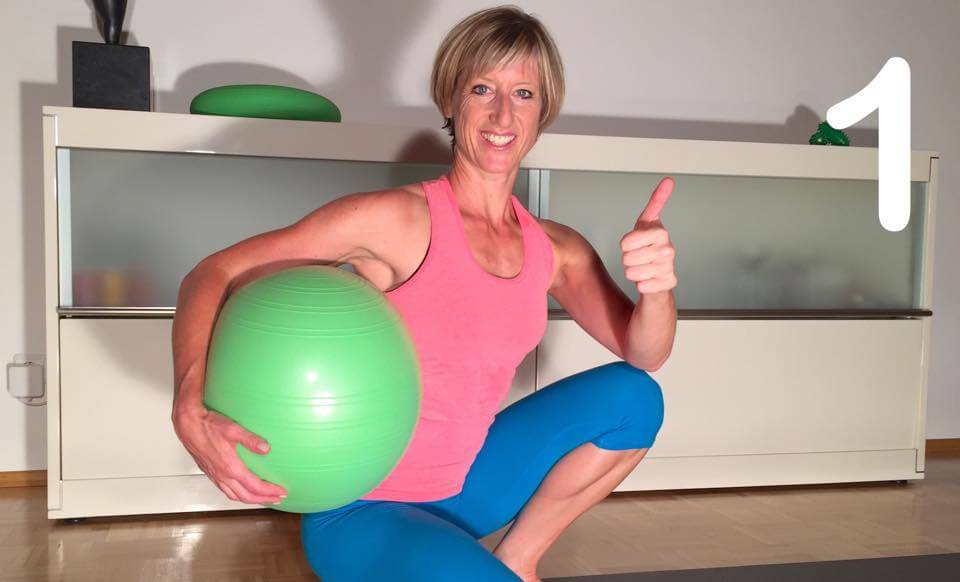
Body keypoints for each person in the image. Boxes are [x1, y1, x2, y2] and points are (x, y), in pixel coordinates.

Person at [171, 5, 677, 581]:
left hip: (468, 488)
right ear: (451, 101)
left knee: (634, 397)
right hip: (363, 510)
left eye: (524, 94)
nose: (502, 113)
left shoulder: (556, 249)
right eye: (482, 88)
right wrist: (189, 405)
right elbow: (212, 273)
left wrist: (658, 289)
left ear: (543, 110)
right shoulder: (394, 220)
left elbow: (646, 353)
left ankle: (519, 558)